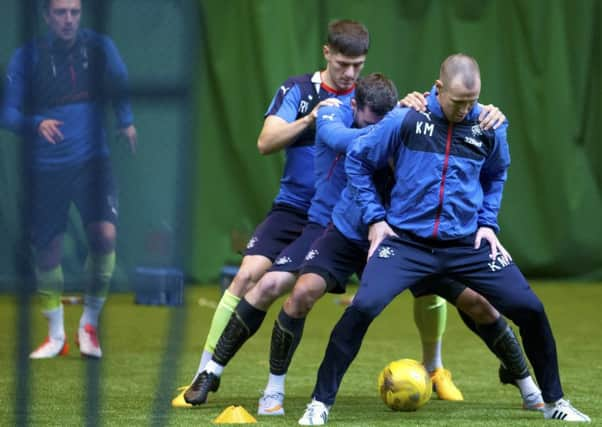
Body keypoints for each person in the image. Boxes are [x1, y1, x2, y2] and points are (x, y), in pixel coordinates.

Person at [181, 74, 540, 415]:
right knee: (283, 287)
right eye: (370, 123)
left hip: (398, 236)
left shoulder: (410, 118)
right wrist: (396, 124)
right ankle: (225, 375)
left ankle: (514, 379)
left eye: (381, 123)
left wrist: (486, 115)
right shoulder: (338, 113)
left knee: (472, 299)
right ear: (355, 106)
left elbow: (471, 142)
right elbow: (343, 141)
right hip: (341, 227)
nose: (375, 130)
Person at [298, 54, 590, 424]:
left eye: (472, 101)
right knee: (364, 307)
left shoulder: (489, 125)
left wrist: (487, 223)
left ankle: (554, 402)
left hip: (466, 244)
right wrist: (374, 218)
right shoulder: (408, 117)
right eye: (458, 101)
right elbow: (357, 159)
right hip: (406, 243)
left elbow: (496, 174)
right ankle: (319, 404)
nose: (465, 109)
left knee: (530, 309)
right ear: (438, 89)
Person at [1, 0, 137, 359]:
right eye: (60, 12)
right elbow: (8, 112)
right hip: (46, 170)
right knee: (48, 252)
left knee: (105, 236)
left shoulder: (99, 47)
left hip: (93, 161)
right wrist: (36, 123)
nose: (68, 19)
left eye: (74, 12)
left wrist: (126, 120)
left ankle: (88, 326)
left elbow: (120, 83)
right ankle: (56, 335)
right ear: (46, 16)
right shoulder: (27, 56)